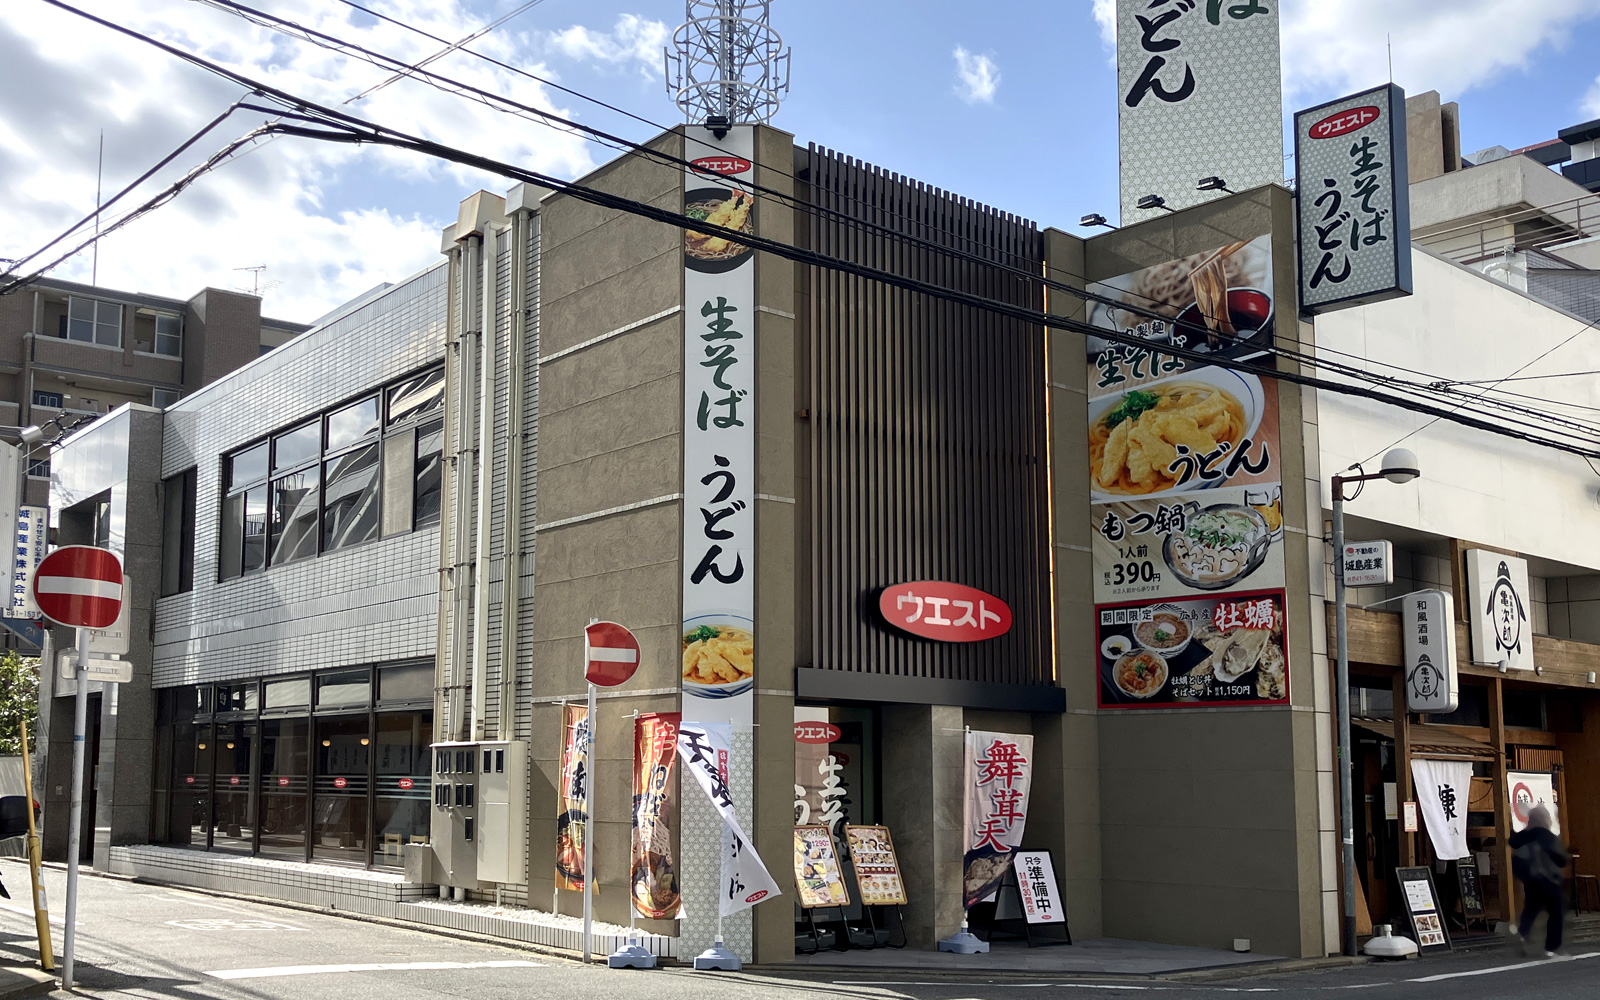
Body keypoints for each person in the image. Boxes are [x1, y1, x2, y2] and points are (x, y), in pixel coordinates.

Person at [1509, 803, 1570, 956]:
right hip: (1550, 880)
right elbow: (1561, 860)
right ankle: (1551, 947)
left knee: (1530, 909)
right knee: (1555, 913)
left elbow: (1513, 844)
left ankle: (1522, 935)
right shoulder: (1548, 836)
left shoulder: (1524, 836)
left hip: (1531, 880)